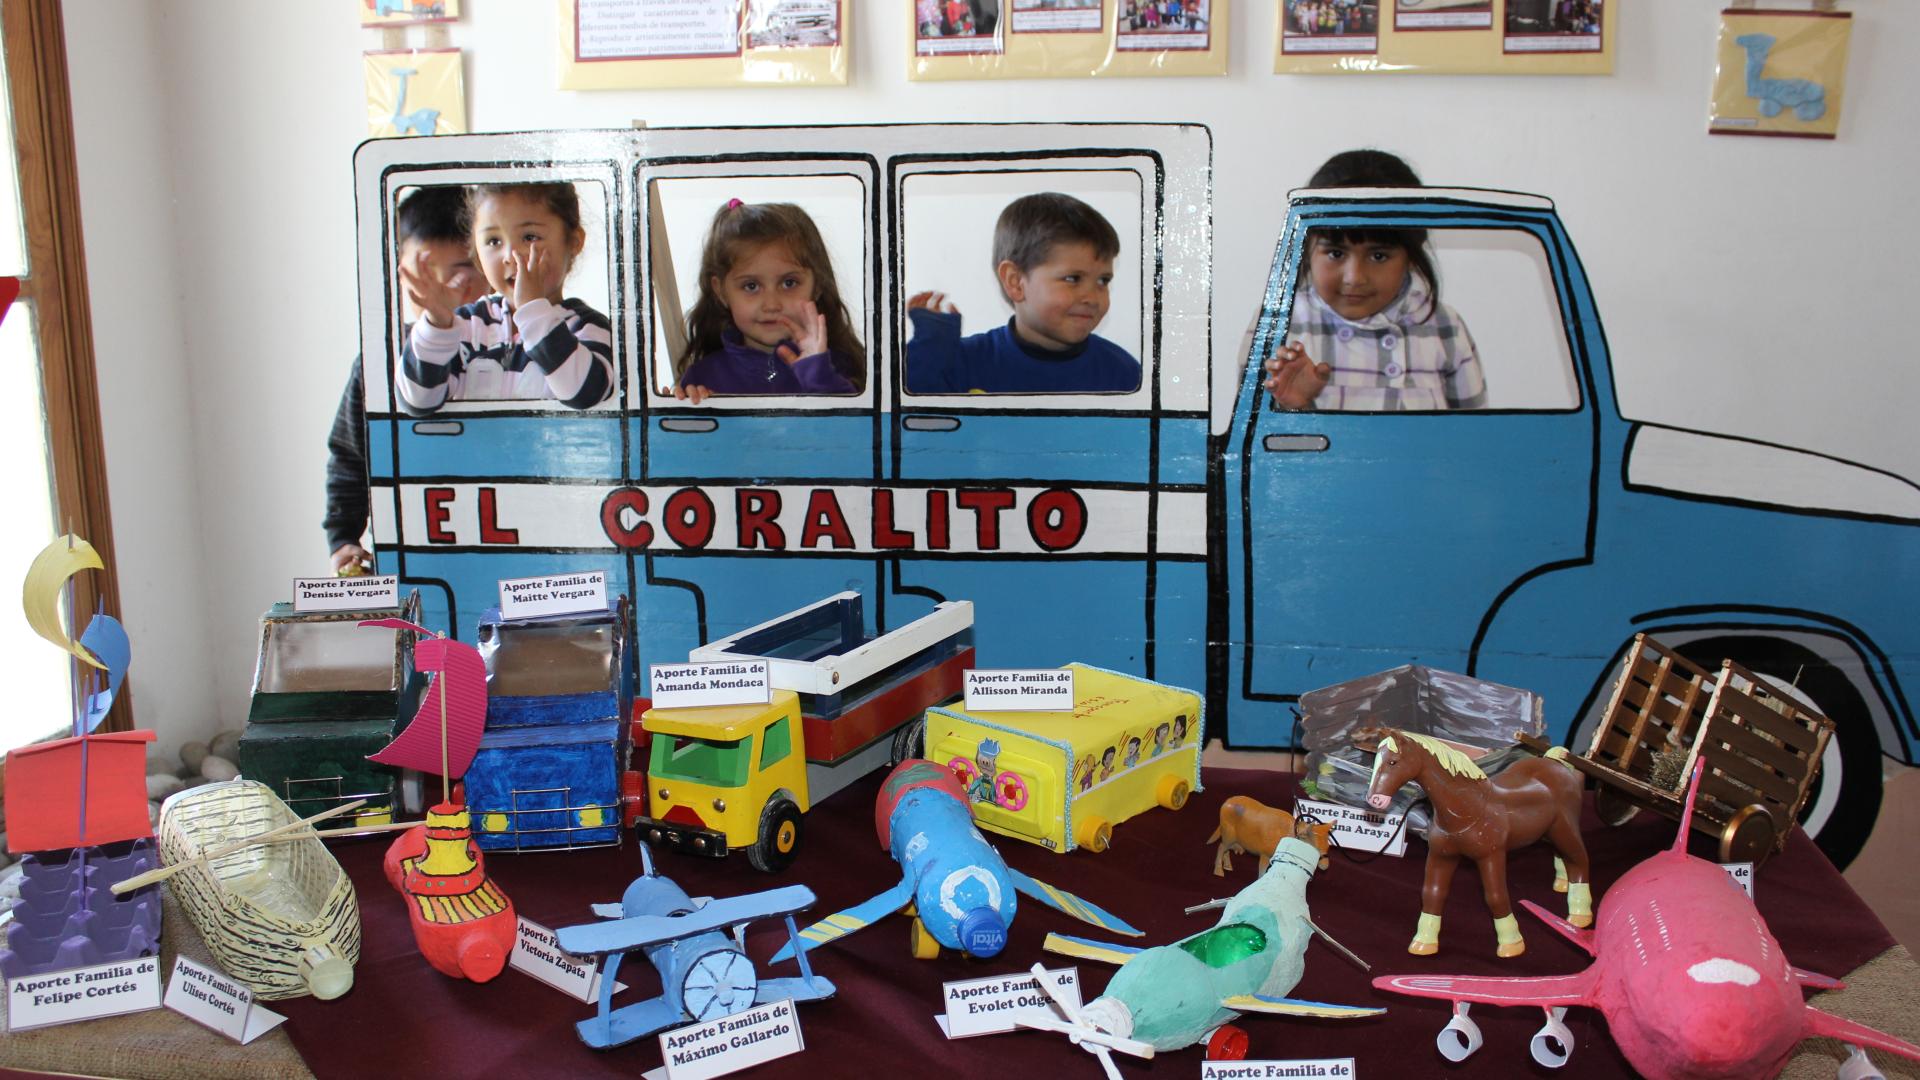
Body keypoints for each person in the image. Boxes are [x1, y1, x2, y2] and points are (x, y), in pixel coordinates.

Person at [326, 186, 485, 575]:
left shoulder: (513, 348)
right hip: (417, 547)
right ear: (399, 269)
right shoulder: (379, 363)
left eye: (463, 273)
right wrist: (344, 538)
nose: (445, 292)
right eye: (427, 275)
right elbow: (349, 456)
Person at [1263, 149, 1487, 411]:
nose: (1354, 278)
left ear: (1411, 256)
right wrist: (1296, 406)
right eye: (1335, 253)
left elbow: (1475, 436)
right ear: (1306, 246)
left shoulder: (1444, 326)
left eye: (1379, 256)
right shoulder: (1278, 327)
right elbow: (1256, 441)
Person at [398, 182, 614, 411]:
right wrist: (437, 324)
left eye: (530, 237)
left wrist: (532, 309)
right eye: (493, 241)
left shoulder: (587, 327)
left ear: (573, 242)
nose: (510, 256)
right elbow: (418, 401)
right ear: (477, 253)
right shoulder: (462, 325)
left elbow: (585, 394)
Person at [905, 191, 1140, 394]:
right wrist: (930, 350)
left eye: (1103, 280)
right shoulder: (962, 363)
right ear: (1015, 282)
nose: (1091, 297)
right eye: (1073, 279)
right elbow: (907, 428)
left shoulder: (1124, 375)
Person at [673, 200, 865, 402]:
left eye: (789, 283)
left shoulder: (843, 368)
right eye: (751, 286)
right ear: (721, 292)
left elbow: (861, 431)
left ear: (817, 286)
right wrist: (684, 411)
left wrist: (818, 376)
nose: (772, 305)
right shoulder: (701, 378)